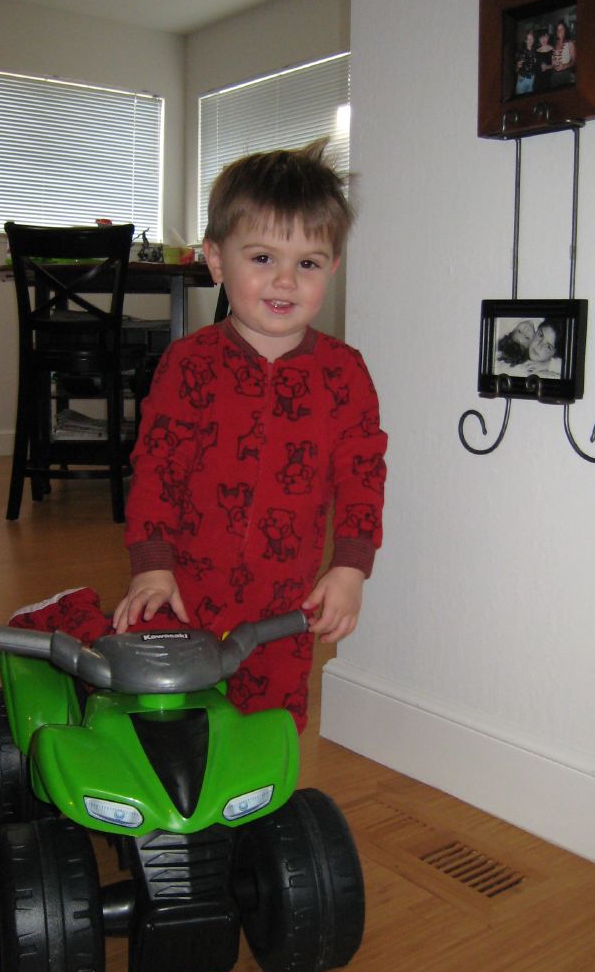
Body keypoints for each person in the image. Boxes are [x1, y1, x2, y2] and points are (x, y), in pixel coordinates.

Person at [111, 140, 388, 732]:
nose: (285, 280)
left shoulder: (344, 374)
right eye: (262, 258)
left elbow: (363, 477)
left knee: (270, 726)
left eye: (308, 263)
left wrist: (350, 568)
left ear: (332, 268)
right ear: (216, 260)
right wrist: (151, 564)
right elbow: (156, 469)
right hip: (182, 592)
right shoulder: (189, 365)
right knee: (167, 719)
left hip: (283, 610)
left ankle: (263, 819)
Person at [550, 19, 576, 86]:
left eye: (561, 29)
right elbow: (553, 59)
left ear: (565, 30)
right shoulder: (554, 43)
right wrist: (553, 63)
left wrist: (564, 66)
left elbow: (574, 61)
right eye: (558, 29)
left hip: (565, 74)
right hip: (554, 75)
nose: (559, 31)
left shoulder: (570, 43)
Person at [514, 29, 537, 96]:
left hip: (532, 79)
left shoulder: (535, 51)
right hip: (522, 80)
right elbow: (515, 70)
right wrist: (517, 66)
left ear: (534, 39)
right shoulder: (520, 52)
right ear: (525, 40)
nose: (530, 41)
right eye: (528, 39)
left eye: (531, 38)